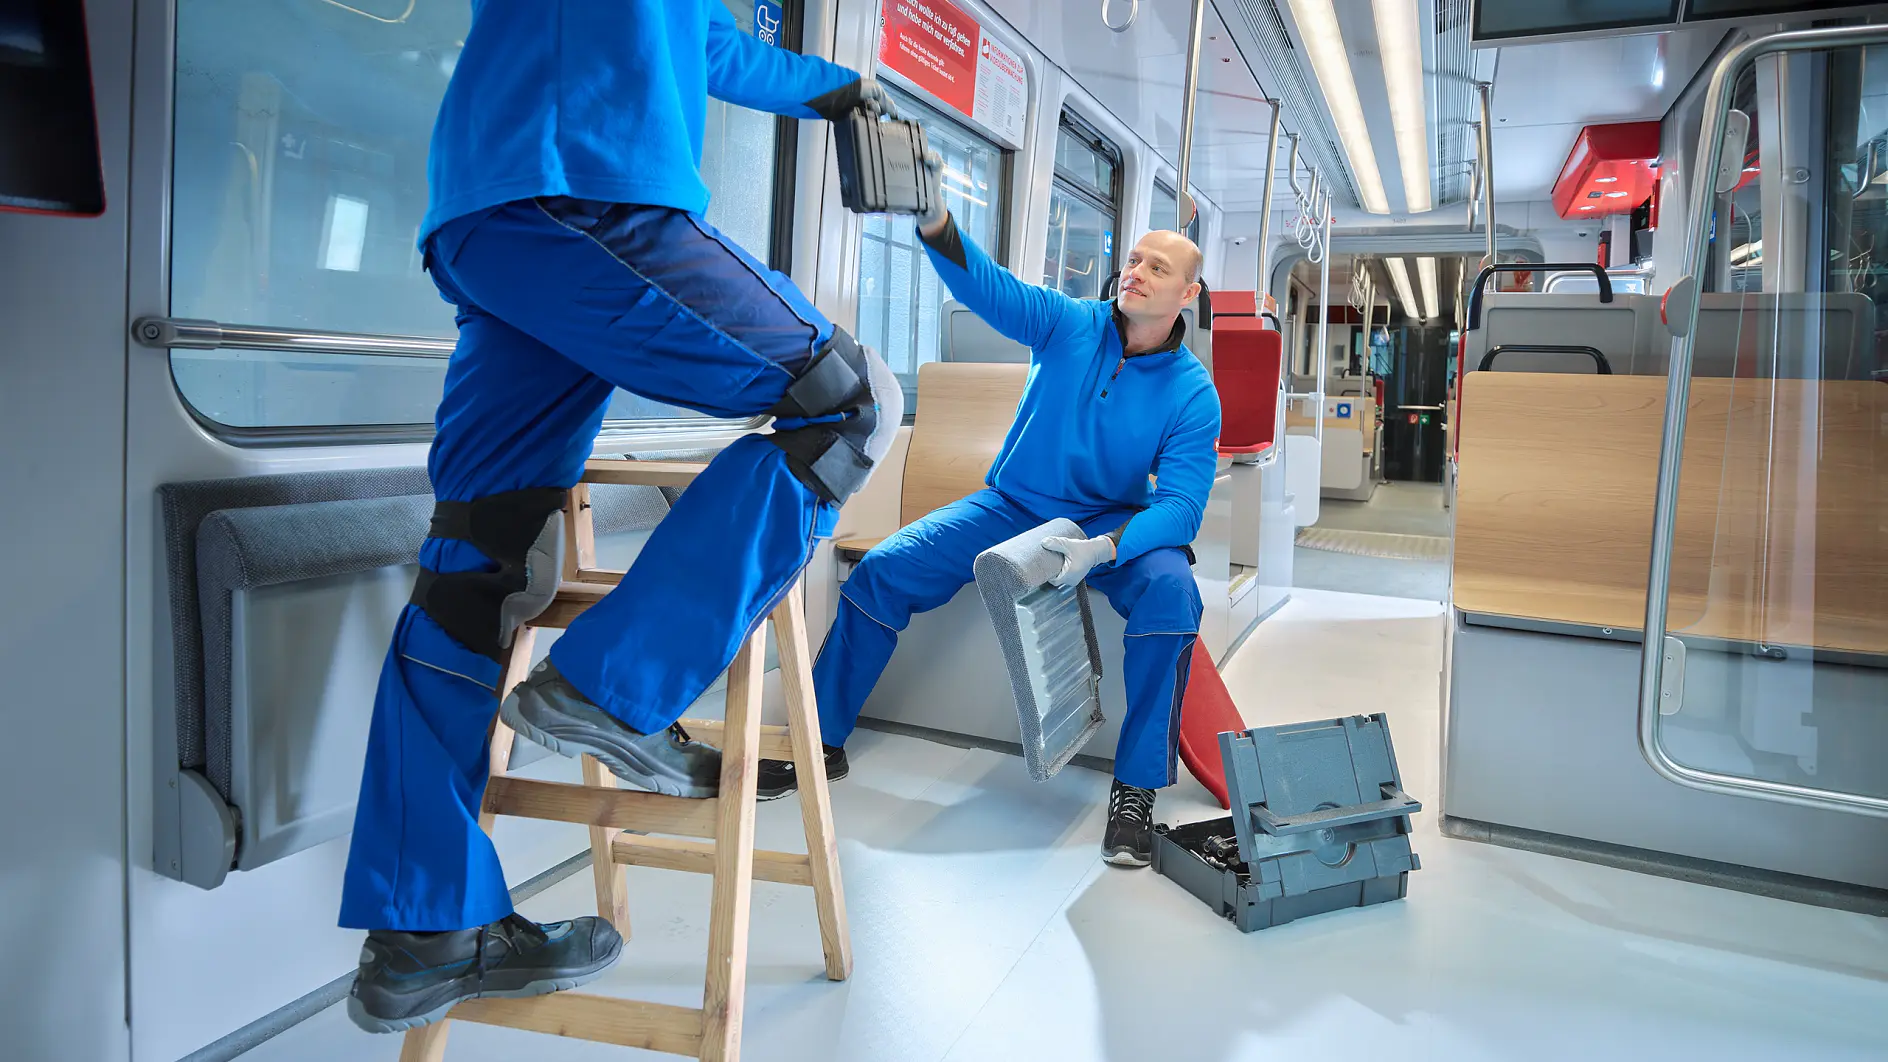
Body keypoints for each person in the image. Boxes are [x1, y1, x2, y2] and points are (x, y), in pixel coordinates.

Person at [338, 1, 909, 1034]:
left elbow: (703, 45)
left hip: (486, 212)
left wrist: (836, 90)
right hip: (586, 185)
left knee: (476, 560)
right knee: (851, 402)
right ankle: (613, 687)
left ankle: (424, 932)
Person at [756, 173, 1222, 871]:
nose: (1137, 273)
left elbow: (1182, 505)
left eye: (1159, 267)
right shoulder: (1070, 323)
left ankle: (1135, 791)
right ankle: (819, 738)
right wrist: (938, 221)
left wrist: (1104, 548)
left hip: (1106, 521)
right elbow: (990, 290)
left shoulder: (1193, 393)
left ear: (1187, 295)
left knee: (1173, 593)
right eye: (1133, 259)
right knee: (883, 569)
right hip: (1013, 504)